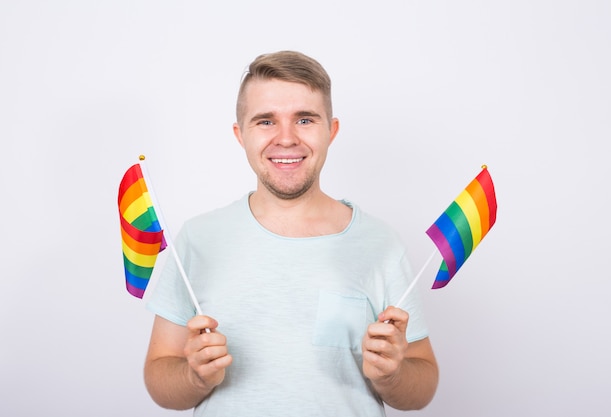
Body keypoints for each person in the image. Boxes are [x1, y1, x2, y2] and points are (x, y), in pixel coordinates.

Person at [143, 50, 438, 416]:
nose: (286, 139)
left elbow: (423, 384)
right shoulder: (198, 238)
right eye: (265, 121)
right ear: (241, 135)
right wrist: (194, 377)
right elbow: (159, 377)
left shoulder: (381, 243)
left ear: (331, 131)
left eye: (304, 119)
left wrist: (392, 376)